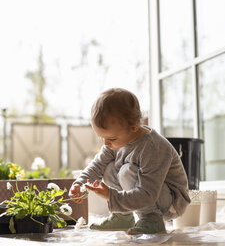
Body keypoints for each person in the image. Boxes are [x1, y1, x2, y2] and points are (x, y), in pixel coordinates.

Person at [69, 88, 190, 235]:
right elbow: (97, 165)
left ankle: (151, 218)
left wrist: (112, 196)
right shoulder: (116, 141)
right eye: (102, 138)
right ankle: (123, 217)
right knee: (108, 168)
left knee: (126, 171)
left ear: (133, 127)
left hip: (171, 203)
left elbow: (148, 194)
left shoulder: (152, 147)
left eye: (111, 139)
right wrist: (79, 183)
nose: (106, 143)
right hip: (149, 194)